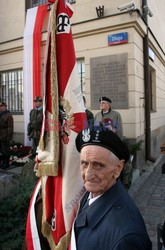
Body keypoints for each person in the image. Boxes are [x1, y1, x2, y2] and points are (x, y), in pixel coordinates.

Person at [72, 127, 152, 250]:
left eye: (98, 165)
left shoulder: (126, 237)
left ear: (118, 168)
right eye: (84, 163)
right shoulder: (91, 194)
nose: (88, 174)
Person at [0, 102, 13, 169]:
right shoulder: (0, 114)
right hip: (0, 135)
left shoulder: (8, 115)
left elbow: (10, 127)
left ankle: (6, 163)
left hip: (5, 135)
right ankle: (3, 162)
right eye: (0, 106)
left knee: (6, 150)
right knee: (2, 150)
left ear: (5, 107)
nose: (0, 107)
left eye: (2, 106)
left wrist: (9, 137)